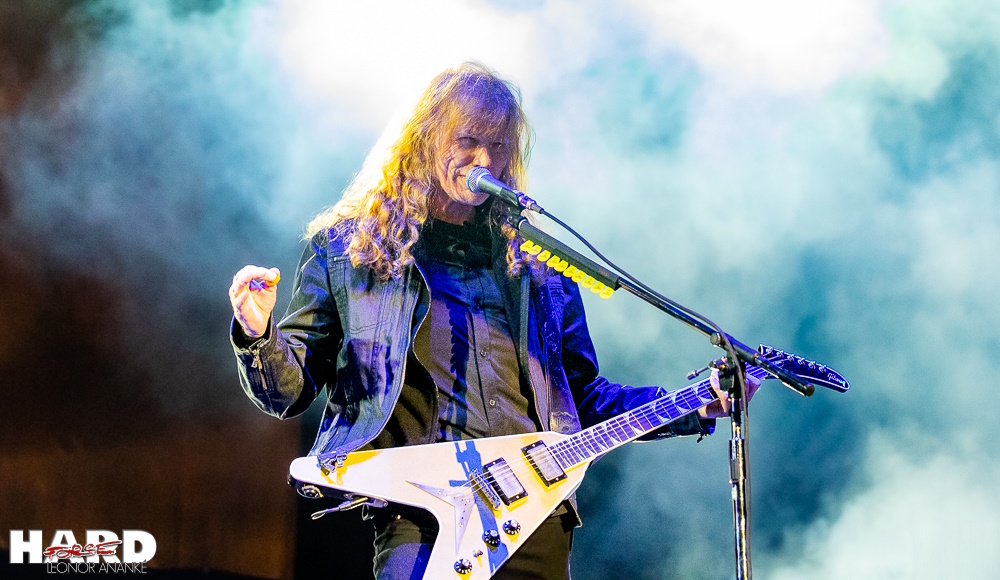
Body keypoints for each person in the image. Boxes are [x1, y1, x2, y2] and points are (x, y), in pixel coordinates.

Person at [229, 62, 756, 579]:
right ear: (425, 140)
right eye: (468, 141)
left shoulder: (539, 268)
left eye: (499, 146)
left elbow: (582, 400)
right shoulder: (351, 252)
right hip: (421, 519)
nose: (484, 160)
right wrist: (257, 334)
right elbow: (289, 389)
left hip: (537, 517)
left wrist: (692, 406)